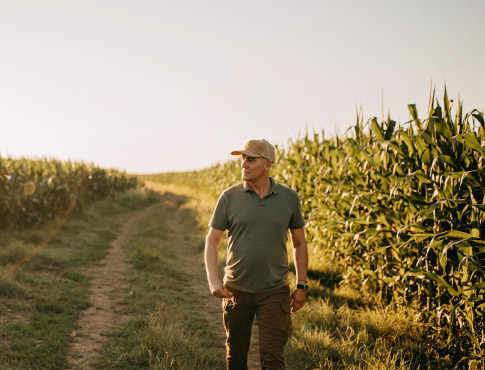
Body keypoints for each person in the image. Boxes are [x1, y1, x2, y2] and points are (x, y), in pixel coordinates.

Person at [204, 139, 309, 370]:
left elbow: (299, 243)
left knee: (273, 357)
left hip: (274, 291)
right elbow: (213, 239)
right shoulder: (229, 197)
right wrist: (213, 279)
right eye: (243, 159)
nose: (244, 163)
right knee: (237, 353)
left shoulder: (289, 198)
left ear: (268, 164)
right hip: (235, 290)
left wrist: (301, 285)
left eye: (251, 159)